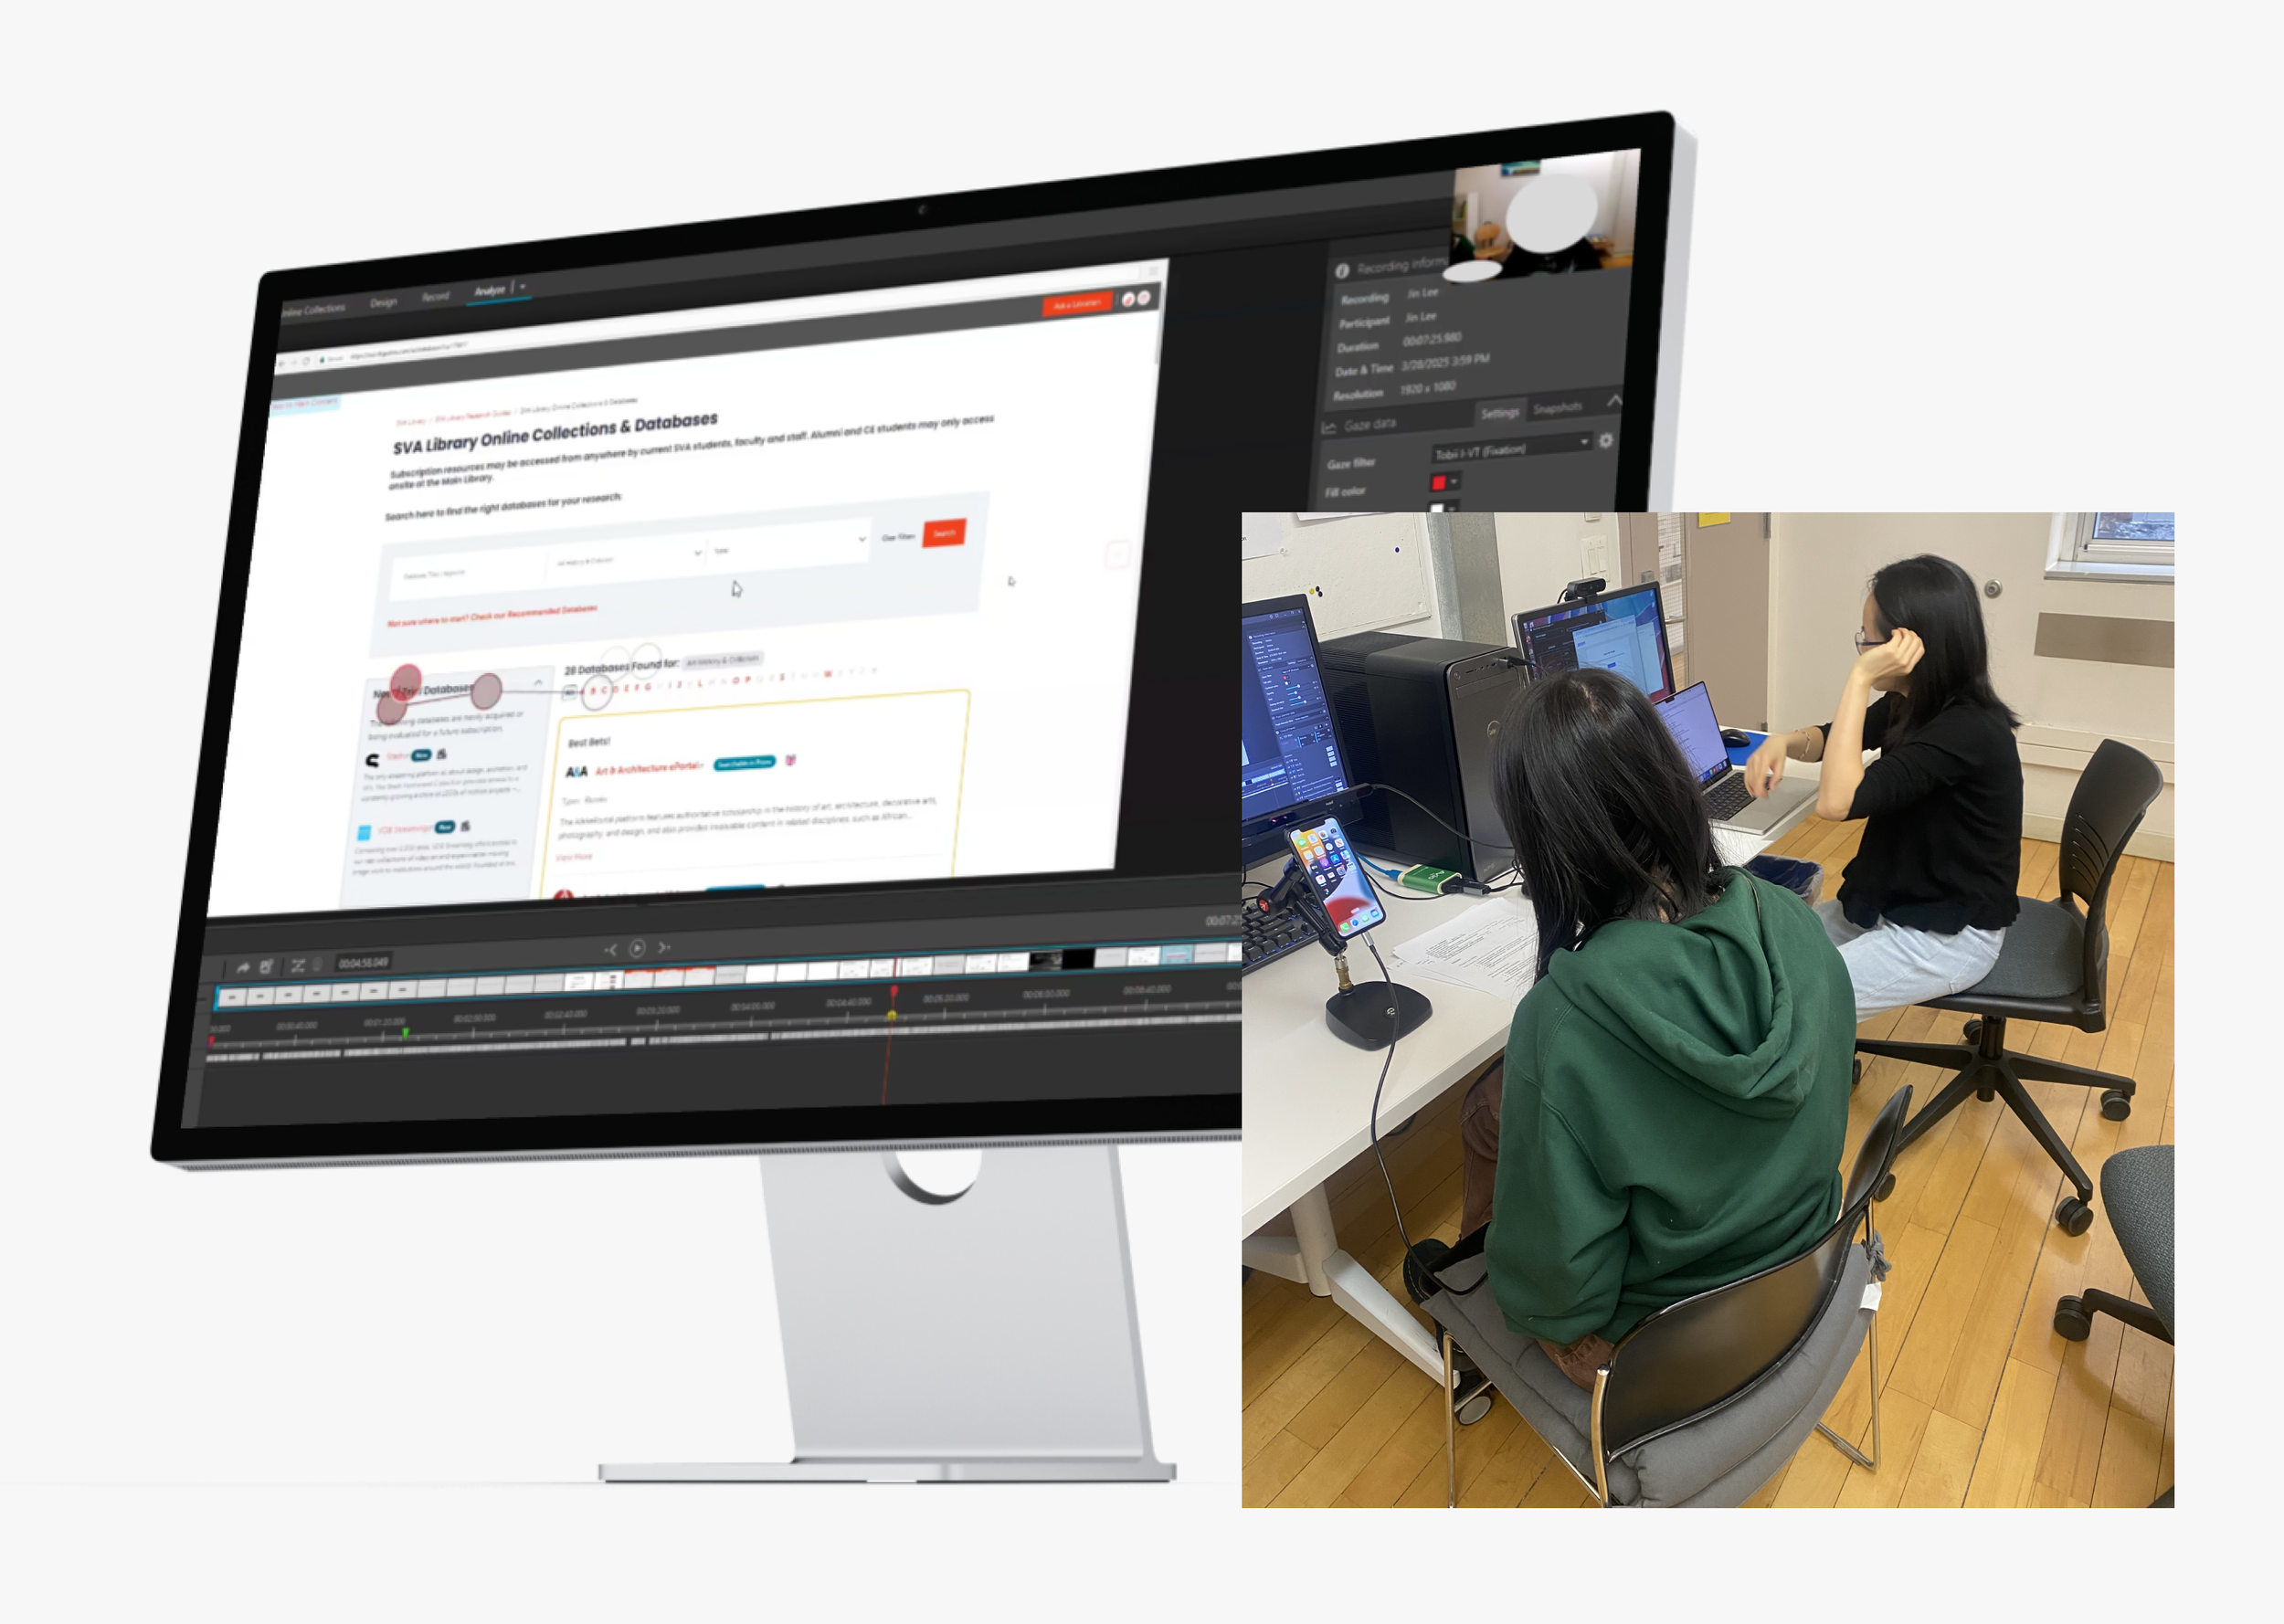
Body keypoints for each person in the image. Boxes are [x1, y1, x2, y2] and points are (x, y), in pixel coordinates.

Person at [1438, 667, 1858, 1389]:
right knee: (1493, 1108)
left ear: (1546, 845)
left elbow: (1560, 1293)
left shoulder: (1563, 1024)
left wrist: (1535, 1302)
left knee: (1496, 1120)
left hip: (1666, 1351)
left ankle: (1467, 1330)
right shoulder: (1789, 917)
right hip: (1804, 1274)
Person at [1740, 554, 2023, 1023]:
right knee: (1764, 955)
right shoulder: (1913, 703)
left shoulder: (1967, 730)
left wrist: (1861, 677)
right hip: (1896, 902)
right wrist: (1783, 742)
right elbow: (1832, 738)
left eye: (1868, 641)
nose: (1862, 650)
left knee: (1794, 1005)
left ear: (1903, 646)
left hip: (1948, 935)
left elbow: (1837, 802)